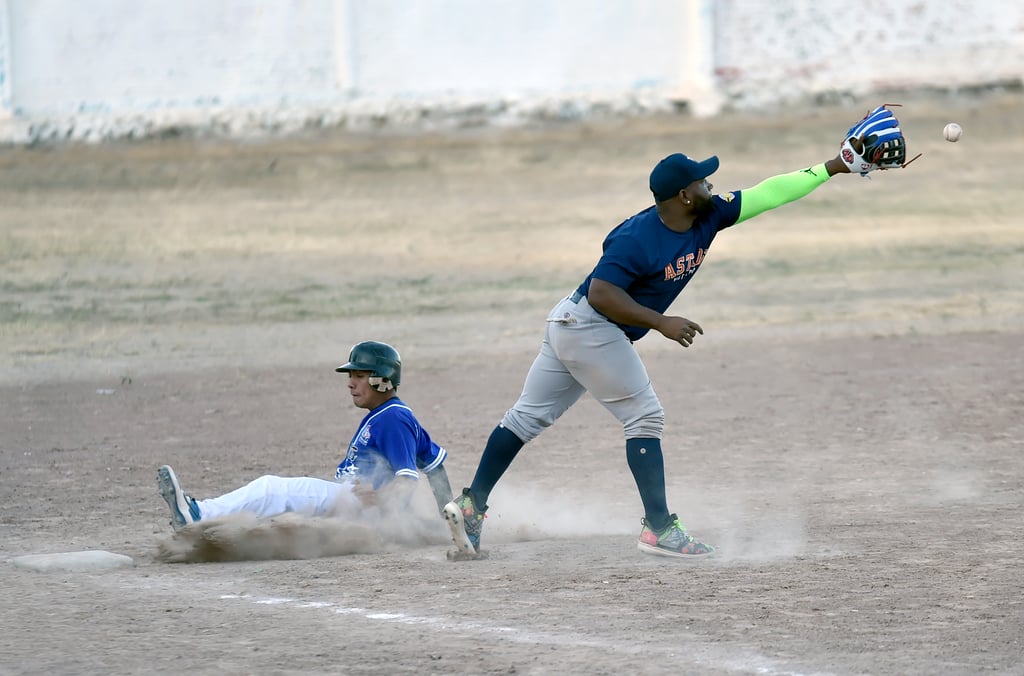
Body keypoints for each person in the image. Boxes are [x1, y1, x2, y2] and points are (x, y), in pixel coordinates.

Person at [444, 106, 912, 559]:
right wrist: (662, 322)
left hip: (573, 324)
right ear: (684, 195)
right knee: (644, 417)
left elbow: (770, 192)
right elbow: (604, 292)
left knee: (527, 418)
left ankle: (471, 505)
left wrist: (836, 166)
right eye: (701, 180)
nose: (711, 183)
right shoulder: (637, 238)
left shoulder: (708, 214)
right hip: (589, 325)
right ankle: (660, 528)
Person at [156, 340, 454, 530]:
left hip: (359, 506)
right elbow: (434, 466)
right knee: (277, 509)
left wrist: (380, 501)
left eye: (360, 376)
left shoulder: (392, 418)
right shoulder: (394, 415)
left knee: (272, 490)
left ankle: (199, 515)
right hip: (358, 507)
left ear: (383, 380)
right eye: (351, 376)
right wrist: (448, 516)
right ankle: (206, 525)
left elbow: (407, 480)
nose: (350, 384)